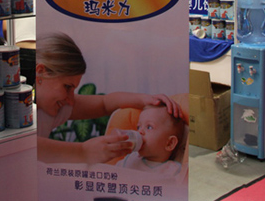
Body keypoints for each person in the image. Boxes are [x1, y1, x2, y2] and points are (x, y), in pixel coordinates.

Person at [36, 32, 185, 164]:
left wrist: (145, 100)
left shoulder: (57, 107)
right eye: (67, 87)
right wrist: (83, 152)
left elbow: (104, 103)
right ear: (40, 72)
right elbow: (31, 146)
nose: (70, 100)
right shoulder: (22, 110)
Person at [116, 105, 185, 176]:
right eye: (138, 127)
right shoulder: (130, 159)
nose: (139, 131)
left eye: (149, 127)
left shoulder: (174, 171)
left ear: (170, 143)